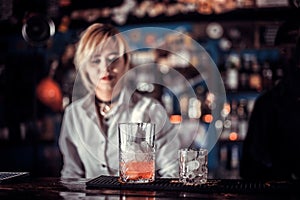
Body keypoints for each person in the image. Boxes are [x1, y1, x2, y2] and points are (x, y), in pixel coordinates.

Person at [58, 23, 181, 178]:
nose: (105, 68)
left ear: (125, 62)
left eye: (113, 59)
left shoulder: (151, 110)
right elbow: (72, 174)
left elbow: (172, 170)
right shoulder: (74, 114)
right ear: (84, 67)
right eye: (96, 60)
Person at [240, 20, 300, 180]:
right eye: (289, 50)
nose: (294, 57)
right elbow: (250, 167)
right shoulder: (267, 105)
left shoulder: (267, 103)